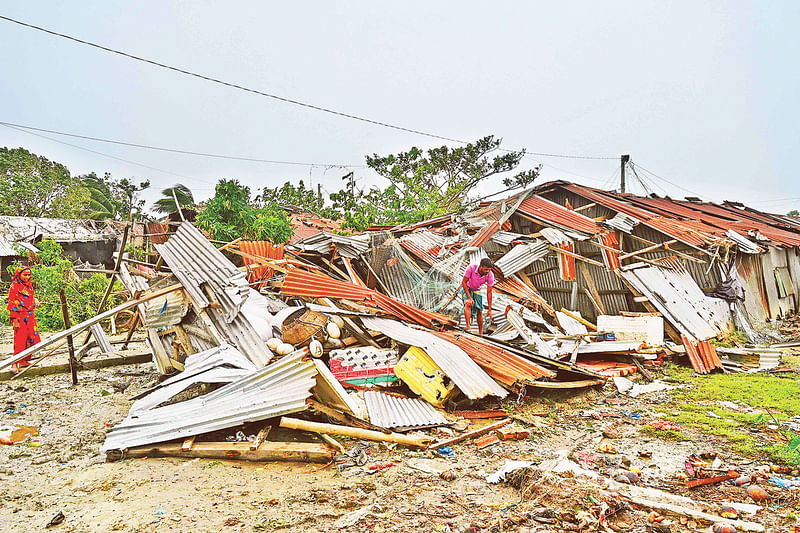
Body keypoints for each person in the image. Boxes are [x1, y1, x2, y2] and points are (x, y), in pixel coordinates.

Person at [7, 266, 41, 371]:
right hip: (20, 317)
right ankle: (14, 363)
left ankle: (24, 361)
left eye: (29, 275)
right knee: (20, 339)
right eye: (24, 275)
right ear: (19, 275)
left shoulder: (29, 286)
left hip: (30, 316)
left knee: (31, 338)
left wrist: (35, 300)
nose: (27, 277)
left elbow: (29, 298)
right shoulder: (14, 287)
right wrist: (15, 320)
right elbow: (12, 303)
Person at [461, 258, 494, 334]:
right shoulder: (471, 268)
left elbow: (489, 292)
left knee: (479, 309)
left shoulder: (490, 275)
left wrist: (489, 309)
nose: (487, 271)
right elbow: (464, 282)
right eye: (486, 269)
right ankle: (468, 328)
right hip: (467, 287)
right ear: (480, 267)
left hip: (477, 289)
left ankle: (480, 332)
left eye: (489, 270)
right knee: (468, 304)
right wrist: (469, 298)